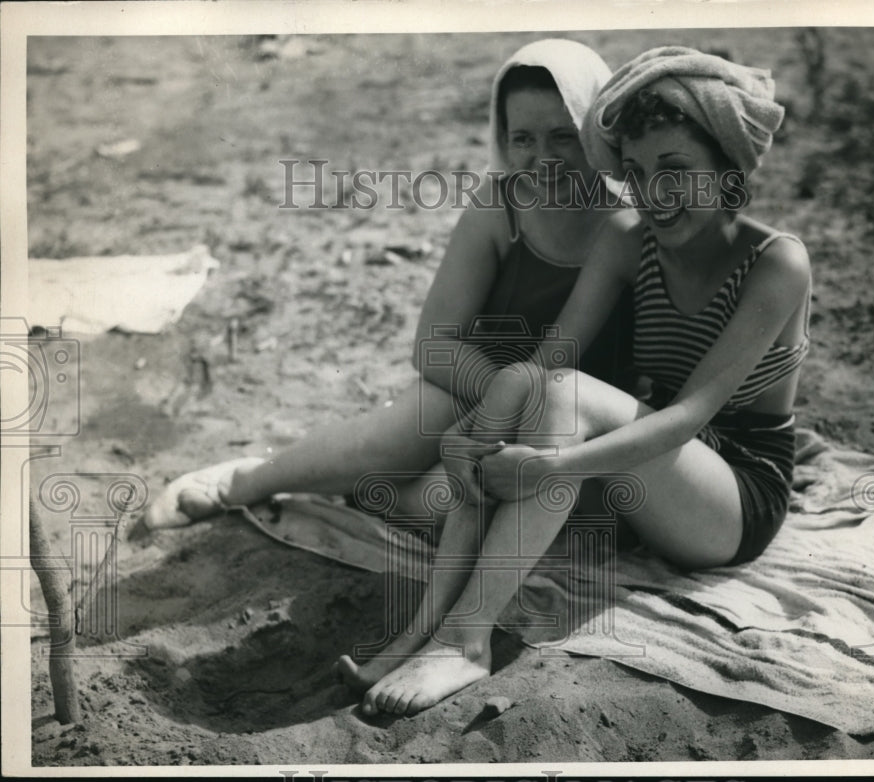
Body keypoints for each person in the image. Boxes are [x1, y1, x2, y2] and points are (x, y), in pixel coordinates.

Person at [349, 45, 812, 717]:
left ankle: (466, 638)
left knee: (557, 403)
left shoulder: (775, 262)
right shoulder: (626, 236)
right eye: (638, 172)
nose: (656, 193)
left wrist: (551, 466)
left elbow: (688, 418)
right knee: (520, 399)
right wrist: (475, 438)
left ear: (729, 169)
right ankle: (422, 628)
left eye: (677, 169)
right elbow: (542, 363)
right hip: (643, 476)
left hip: (731, 497)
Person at [134, 38, 634, 540]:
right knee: (400, 434)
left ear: (596, 131)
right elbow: (432, 346)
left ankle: (369, 493)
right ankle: (248, 480)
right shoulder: (498, 208)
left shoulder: (631, 225)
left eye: (562, 137)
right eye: (523, 138)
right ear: (502, 139)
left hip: (573, 418)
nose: (542, 159)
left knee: (454, 506)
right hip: (473, 395)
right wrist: (500, 401)